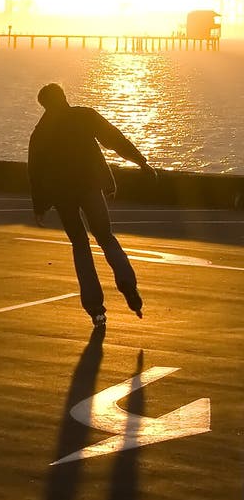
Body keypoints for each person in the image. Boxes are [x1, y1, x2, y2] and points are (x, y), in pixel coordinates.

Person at [27, 83, 157, 329]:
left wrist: (39, 206)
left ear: (43, 105)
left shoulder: (40, 132)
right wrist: (141, 162)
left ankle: (95, 309)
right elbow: (115, 140)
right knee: (106, 237)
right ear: (64, 97)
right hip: (89, 188)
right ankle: (128, 285)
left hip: (62, 195)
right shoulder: (84, 116)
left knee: (80, 245)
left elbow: (35, 171)